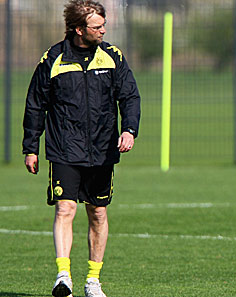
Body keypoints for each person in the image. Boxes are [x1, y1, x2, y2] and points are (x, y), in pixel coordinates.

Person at [22, 0, 141, 296]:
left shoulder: (113, 57)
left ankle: (93, 280)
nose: (103, 30)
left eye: (104, 25)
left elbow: (130, 96)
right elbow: (36, 104)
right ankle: (63, 276)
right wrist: (30, 147)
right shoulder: (53, 59)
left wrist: (129, 129)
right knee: (65, 208)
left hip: (102, 149)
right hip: (64, 147)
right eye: (97, 26)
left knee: (98, 212)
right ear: (79, 29)